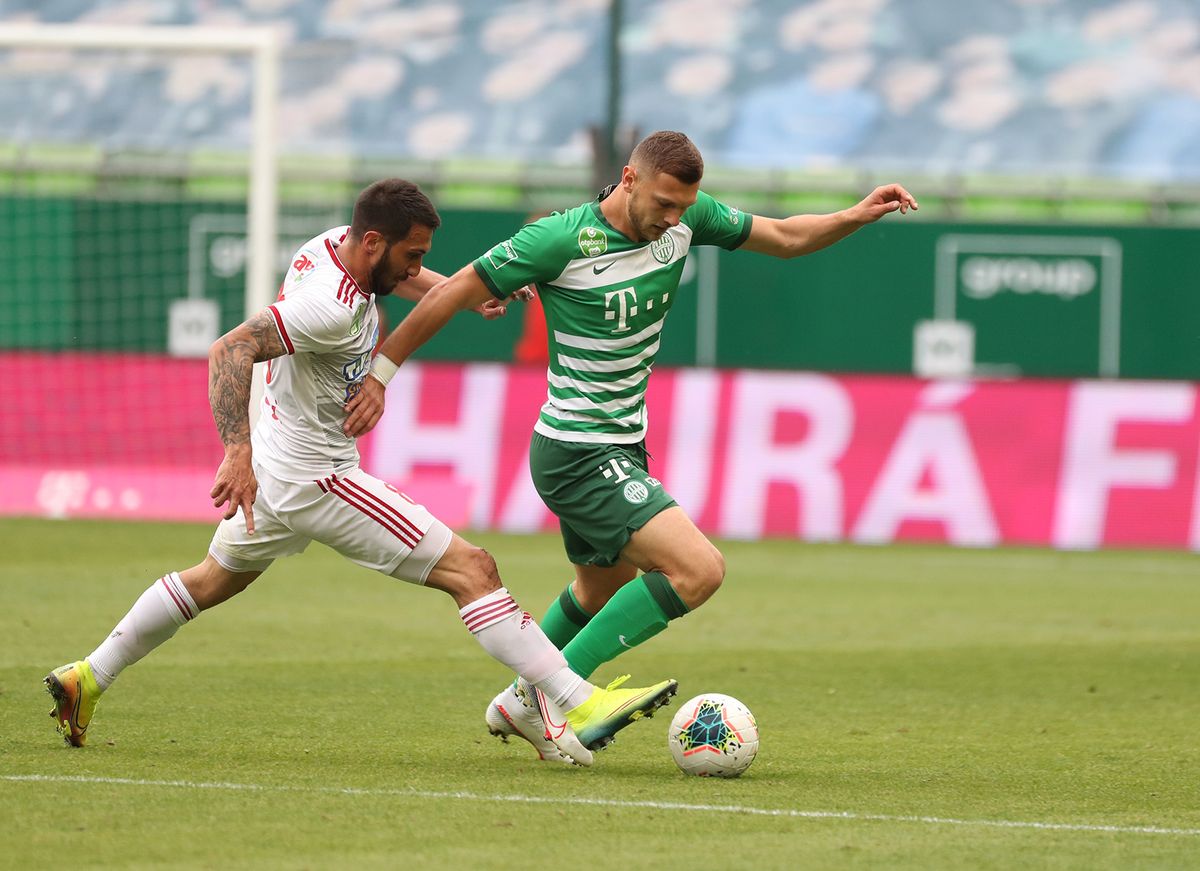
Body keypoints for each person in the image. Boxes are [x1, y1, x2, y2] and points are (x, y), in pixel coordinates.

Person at [43, 179, 677, 767]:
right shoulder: (329, 309)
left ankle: (88, 677)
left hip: (280, 463)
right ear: (373, 242)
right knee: (472, 569)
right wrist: (234, 451)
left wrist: (452, 291)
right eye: (412, 255)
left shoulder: (332, 247)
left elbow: (390, 279)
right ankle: (575, 699)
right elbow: (229, 348)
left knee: (211, 581)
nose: (414, 266)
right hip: (313, 475)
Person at [343, 133, 918, 763]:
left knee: (602, 586)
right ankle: (562, 700)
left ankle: (518, 698)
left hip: (621, 444)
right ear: (628, 179)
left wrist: (855, 215)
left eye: (683, 207)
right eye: (665, 204)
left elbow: (782, 238)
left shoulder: (687, 217)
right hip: (578, 450)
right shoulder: (560, 239)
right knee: (699, 571)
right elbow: (454, 291)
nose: (674, 219)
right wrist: (380, 374)